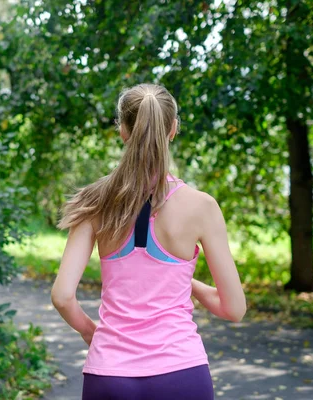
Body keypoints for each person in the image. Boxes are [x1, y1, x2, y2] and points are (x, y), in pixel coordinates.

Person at [50, 83, 247, 400]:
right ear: (173, 129)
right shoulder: (201, 207)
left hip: (109, 375)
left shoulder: (94, 201)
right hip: (182, 374)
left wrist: (91, 332)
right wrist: (186, 281)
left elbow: (62, 296)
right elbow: (234, 309)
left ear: (123, 131)